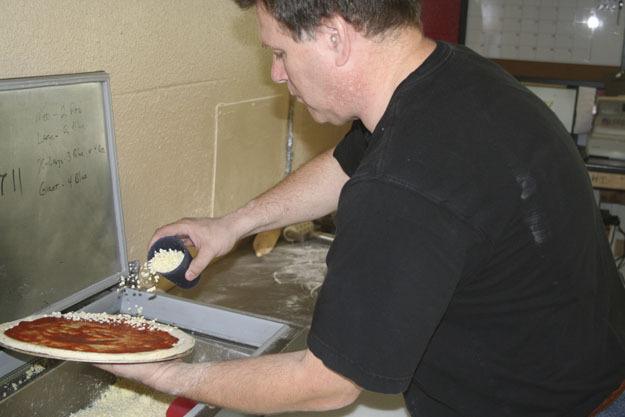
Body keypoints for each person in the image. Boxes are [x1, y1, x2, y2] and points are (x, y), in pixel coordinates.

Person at [97, 1, 625, 416]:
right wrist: (232, 225)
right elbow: (347, 163)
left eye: (279, 52)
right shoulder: (449, 76)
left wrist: (164, 374)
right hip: (592, 371)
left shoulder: (402, 187)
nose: (277, 74)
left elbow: (325, 383)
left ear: (335, 36)